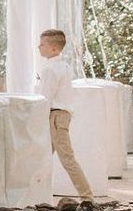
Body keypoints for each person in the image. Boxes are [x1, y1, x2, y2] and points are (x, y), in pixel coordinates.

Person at [36, 28, 93, 199]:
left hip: (55, 117)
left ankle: (87, 196)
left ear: (53, 48)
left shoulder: (50, 70)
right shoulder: (64, 67)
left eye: (42, 44)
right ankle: (37, 193)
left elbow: (45, 97)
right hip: (61, 116)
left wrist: (36, 119)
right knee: (42, 158)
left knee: (67, 159)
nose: (38, 47)